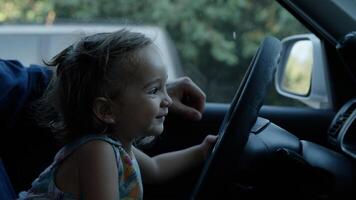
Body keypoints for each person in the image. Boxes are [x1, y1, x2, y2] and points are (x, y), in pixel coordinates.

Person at [14, 29, 216, 199]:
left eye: (165, 87)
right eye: (154, 90)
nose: (168, 100)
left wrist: (201, 151)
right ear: (107, 111)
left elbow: (155, 168)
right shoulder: (96, 150)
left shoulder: (114, 145)